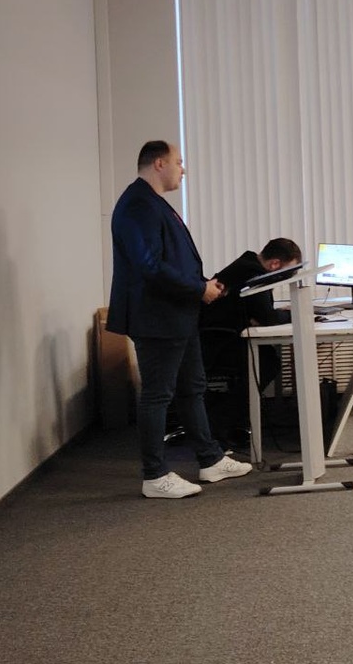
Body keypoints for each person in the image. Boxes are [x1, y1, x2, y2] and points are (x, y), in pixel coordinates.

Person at [107, 140, 253, 499]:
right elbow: (149, 266)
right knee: (158, 395)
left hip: (178, 315)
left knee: (193, 388)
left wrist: (202, 286)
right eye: (179, 161)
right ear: (159, 163)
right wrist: (198, 288)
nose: (182, 169)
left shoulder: (153, 202)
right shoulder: (138, 204)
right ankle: (154, 475)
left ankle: (210, 459)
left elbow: (169, 261)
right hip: (157, 317)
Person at [199, 238, 303, 443]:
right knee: (268, 363)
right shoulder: (253, 273)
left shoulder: (248, 265)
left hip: (217, 335)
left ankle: (227, 417)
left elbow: (262, 314)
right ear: (275, 264)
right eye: (288, 271)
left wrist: (266, 315)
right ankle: (219, 420)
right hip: (217, 342)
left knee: (268, 358)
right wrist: (293, 313)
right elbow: (267, 317)